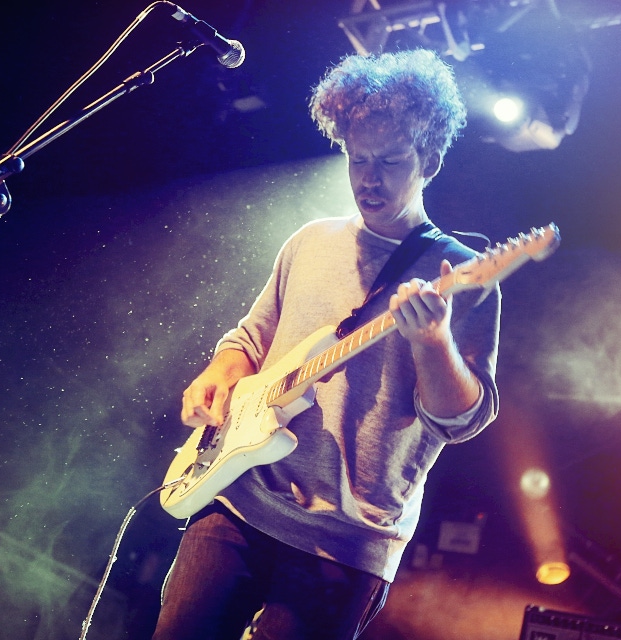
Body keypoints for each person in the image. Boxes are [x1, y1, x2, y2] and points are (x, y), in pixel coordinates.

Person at [153, 49, 501, 640]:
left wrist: (432, 340)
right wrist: (220, 369)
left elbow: (461, 421)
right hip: (239, 498)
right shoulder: (309, 242)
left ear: (432, 160)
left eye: (390, 161)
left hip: (345, 542)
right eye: (358, 158)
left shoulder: (464, 274)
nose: (369, 177)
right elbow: (249, 340)